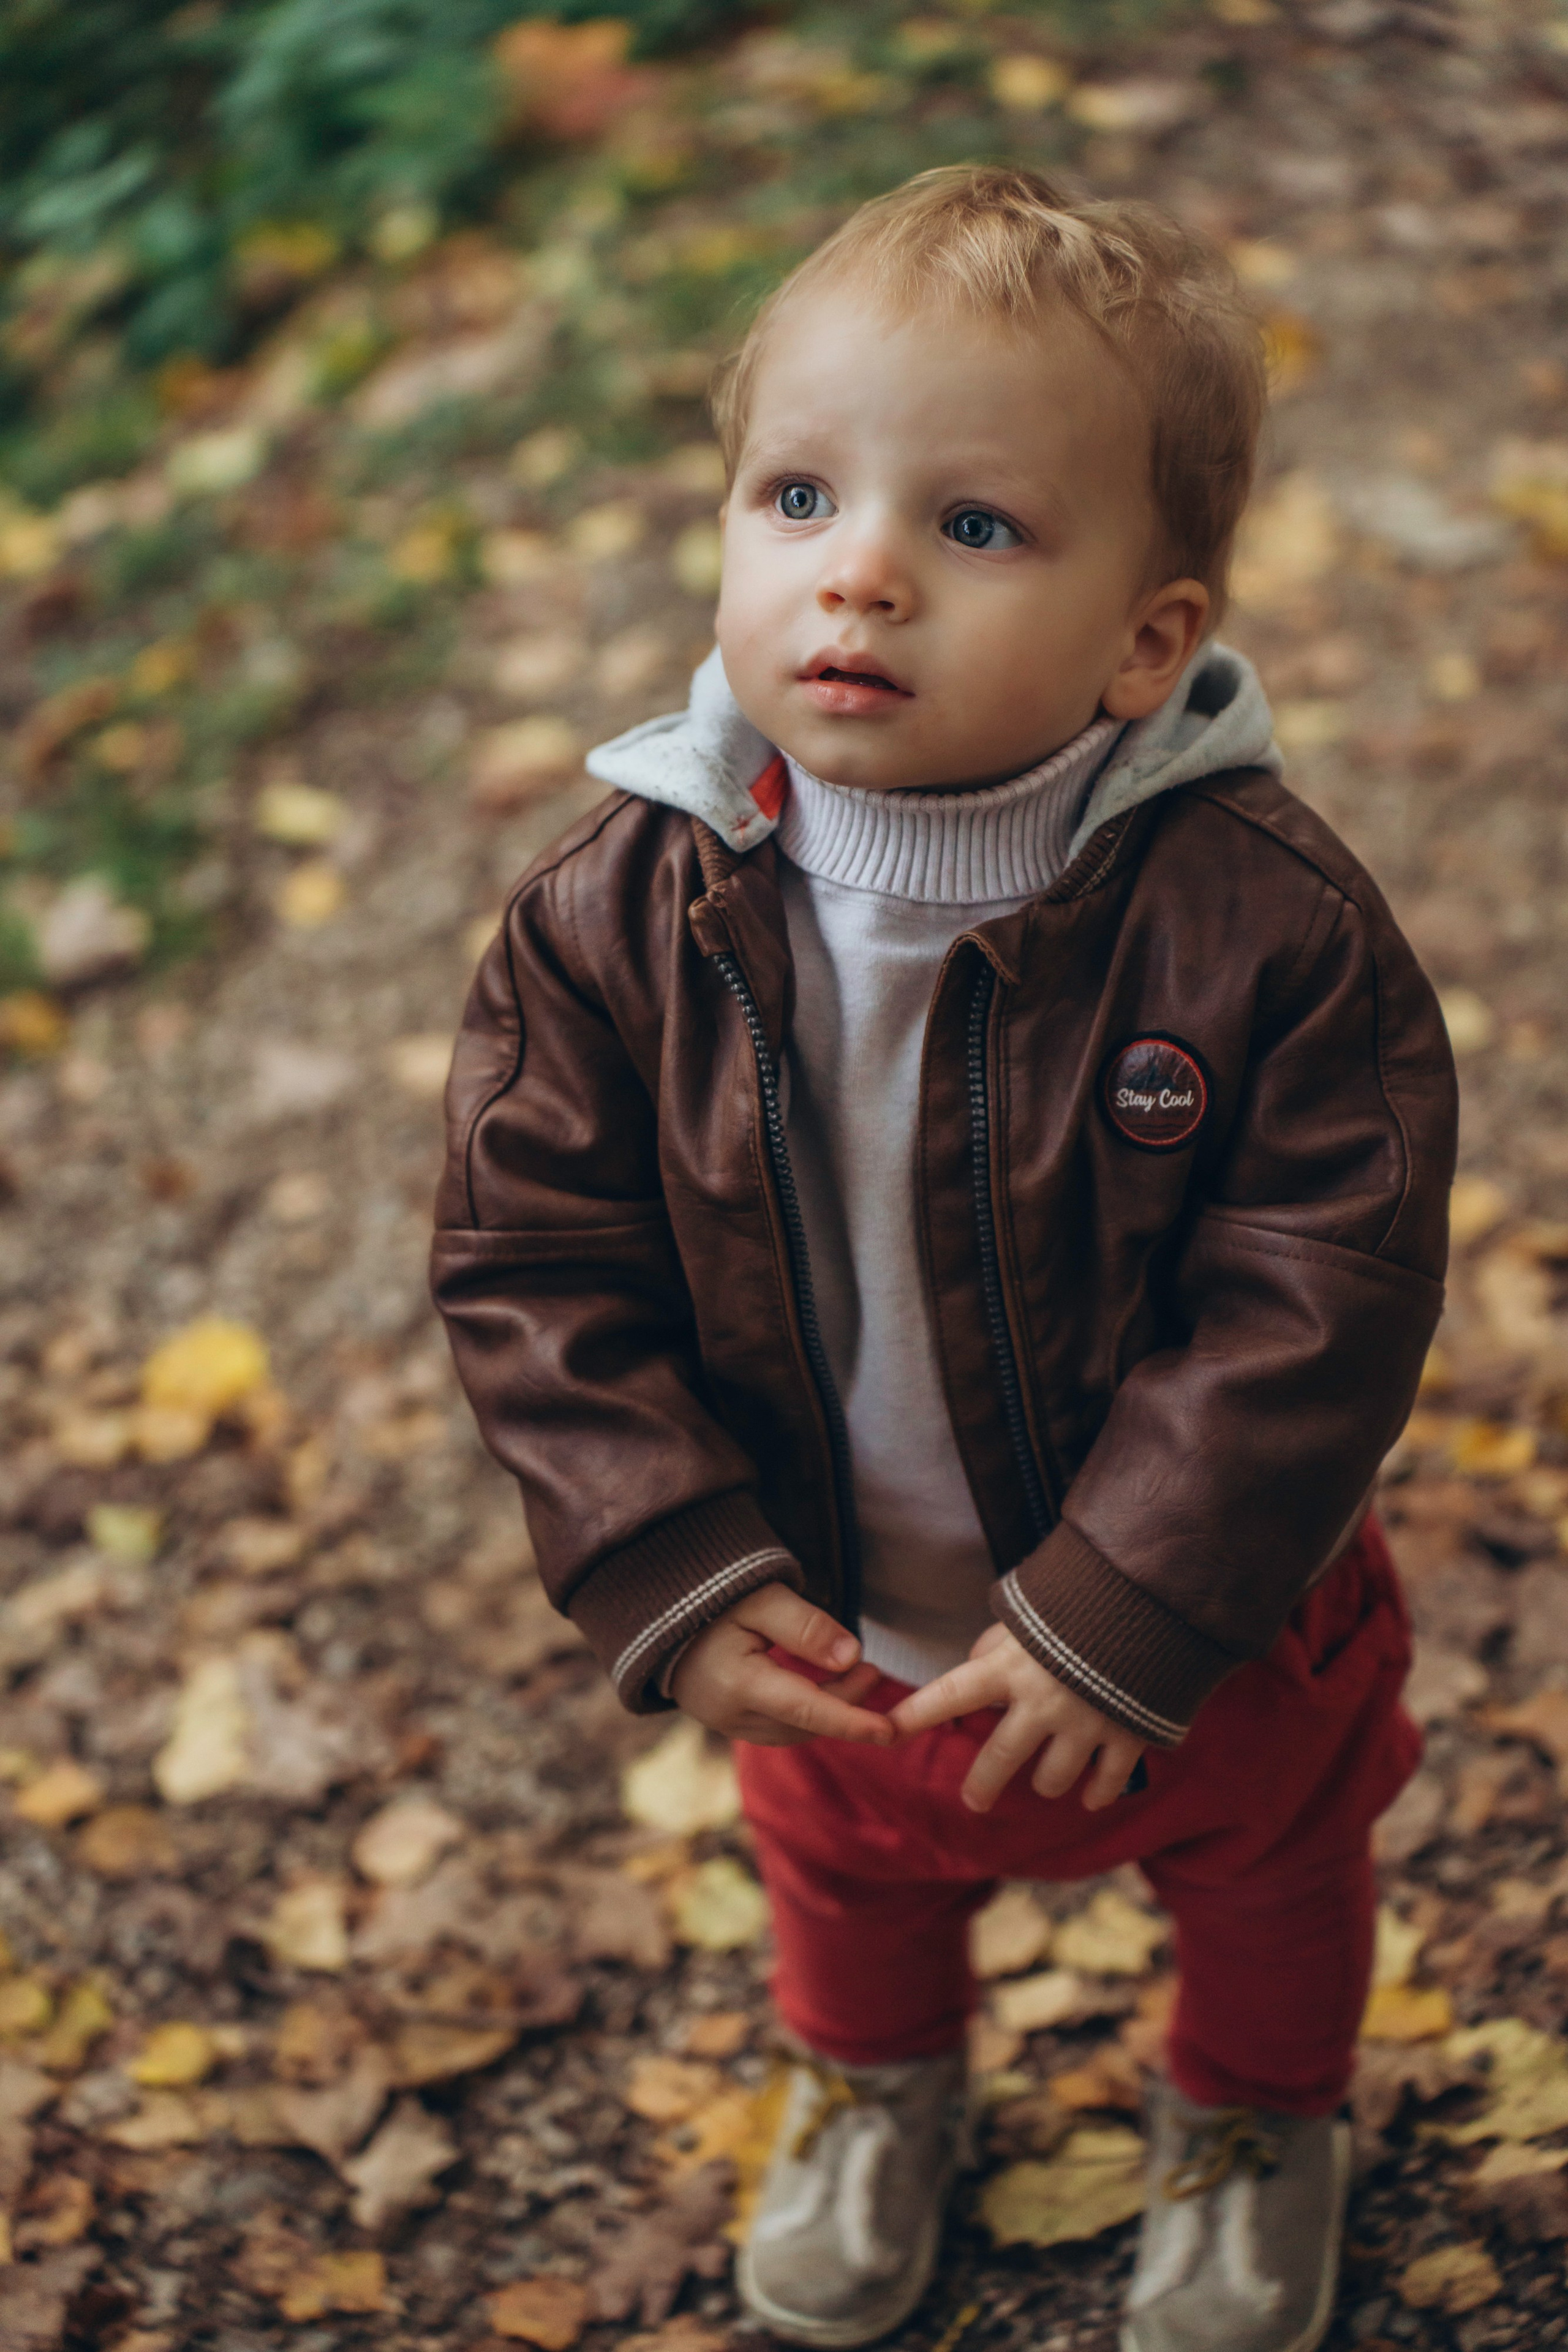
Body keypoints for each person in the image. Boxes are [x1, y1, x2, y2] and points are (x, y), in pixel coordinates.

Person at [432, 166, 1455, 2352]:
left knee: (1272, 1876)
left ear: (1149, 638)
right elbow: (534, 1255)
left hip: (1198, 1616)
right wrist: (667, 1562)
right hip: (825, 1592)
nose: (861, 570)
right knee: (847, 1870)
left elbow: (1321, 1285)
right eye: (795, 496)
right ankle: (873, 2090)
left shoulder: (1265, 926)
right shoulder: (620, 917)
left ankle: (1261, 2115)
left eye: (974, 528)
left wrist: (1132, 1609)